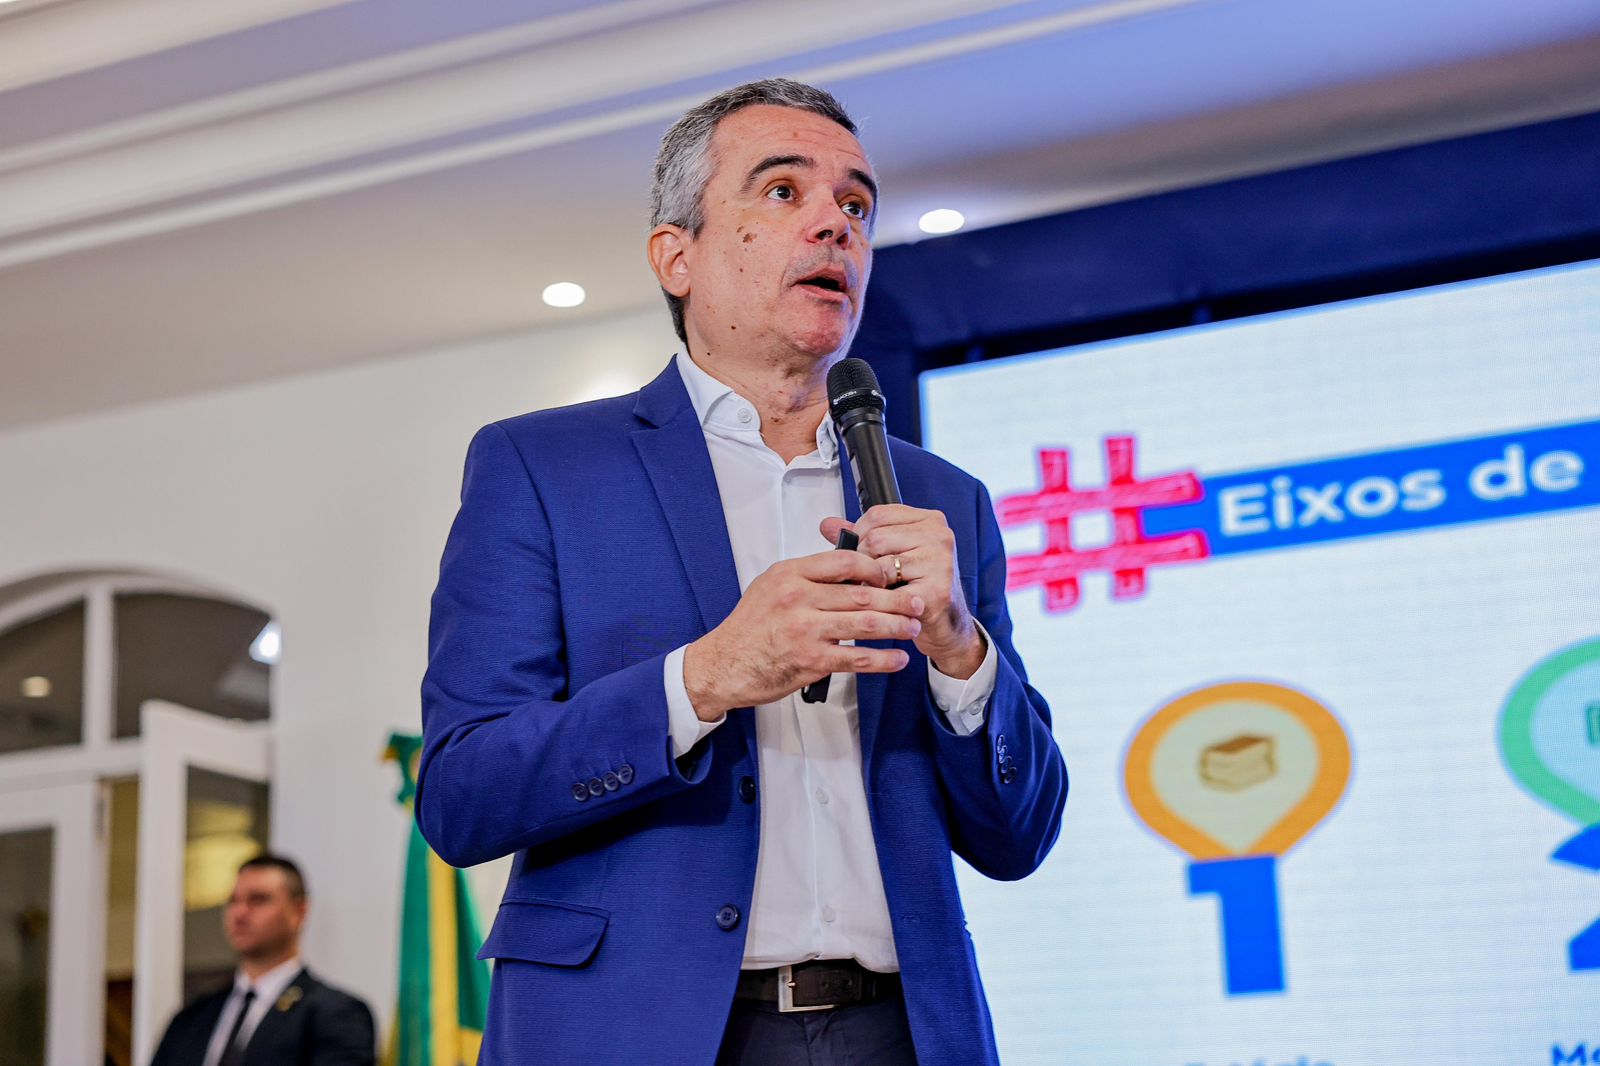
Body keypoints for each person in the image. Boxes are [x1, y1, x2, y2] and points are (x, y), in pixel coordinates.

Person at [418, 78, 1068, 1066]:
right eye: (783, 191)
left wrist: (958, 653)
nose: (835, 224)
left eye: (856, 204)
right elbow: (464, 794)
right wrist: (704, 678)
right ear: (675, 256)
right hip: (635, 1033)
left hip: (901, 1032)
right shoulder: (542, 467)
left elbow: (1019, 836)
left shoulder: (943, 500)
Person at [149, 854, 375, 1066]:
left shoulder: (335, 1014)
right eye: (233, 900)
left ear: (299, 911)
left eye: (258, 900)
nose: (240, 913)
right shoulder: (192, 1017)